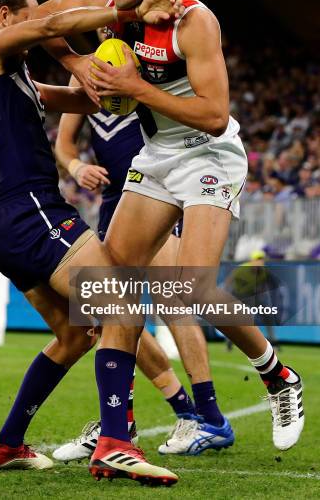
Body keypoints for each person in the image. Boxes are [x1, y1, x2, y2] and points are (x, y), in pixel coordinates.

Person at [37, 0, 304, 453]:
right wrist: (75, 63)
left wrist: (135, 87)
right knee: (109, 290)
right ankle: (119, 426)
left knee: (192, 286)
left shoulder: (194, 21)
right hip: (156, 154)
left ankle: (278, 377)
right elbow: (43, 20)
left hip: (210, 153)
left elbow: (212, 114)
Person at [0, 0, 181, 485]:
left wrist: (120, 86)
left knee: (73, 335)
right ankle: (114, 445)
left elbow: (83, 102)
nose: (38, 29)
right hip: (32, 211)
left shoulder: (12, 80)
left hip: (5, 221)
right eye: (28, 18)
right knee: (121, 308)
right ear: (3, 18)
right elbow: (57, 24)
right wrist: (127, 15)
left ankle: (6, 444)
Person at [53, 101, 232, 460]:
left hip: (156, 191)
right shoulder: (85, 76)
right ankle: (127, 422)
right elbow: (63, 143)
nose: (108, 38)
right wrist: (75, 166)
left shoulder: (146, 63)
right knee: (110, 311)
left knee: (171, 298)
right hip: (113, 201)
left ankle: (210, 417)